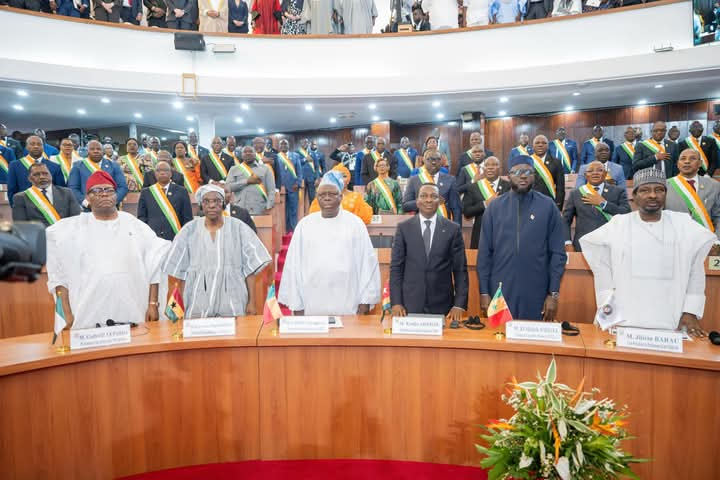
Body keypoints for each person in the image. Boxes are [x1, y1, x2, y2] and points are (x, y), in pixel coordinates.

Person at [580, 168, 717, 335]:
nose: (653, 195)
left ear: (665, 195)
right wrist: (607, 303)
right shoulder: (618, 225)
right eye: (645, 190)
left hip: (670, 320)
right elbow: (600, 266)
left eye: (659, 190)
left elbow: (695, 272)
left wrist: (690, 311)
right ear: (635, 196)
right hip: (623, 320)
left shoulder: (683, 225)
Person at [47, 171, 170, 330]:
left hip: (134, 308)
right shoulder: (70, 230)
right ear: (88, 197)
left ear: (115, 195)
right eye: (97, 191)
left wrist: (153, 304)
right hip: (87, 313)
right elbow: (59, 275)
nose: (104, 194)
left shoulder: (135, 225)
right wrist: (65, 311)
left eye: (109, 190)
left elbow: (155, 263)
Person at [478, 155, 567, 321]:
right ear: (508, 175)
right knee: (499, 340)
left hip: (537, 291)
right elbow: (484, 254)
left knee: (534, 343)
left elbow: (558, 254)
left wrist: (553, 293)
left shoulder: (548, 207)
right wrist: (484, 292)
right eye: (517, 171)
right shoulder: (494, 208)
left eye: (528, 171)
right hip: (500, 292)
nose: (523, 175)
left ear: (534, 176)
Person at [278, 172, 380, 315]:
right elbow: (293, 266)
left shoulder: (355, 224)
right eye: (322, 194)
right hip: (312, 300)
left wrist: (365, 302)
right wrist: (297, 304)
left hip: (347, 300)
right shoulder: (304, 225)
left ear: (341, 197)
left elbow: (367, 264)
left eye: (332, 194)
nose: (327, 197)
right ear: (317, 197)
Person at [163, 184, 271, 318]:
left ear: (223, 203)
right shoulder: (188, 230)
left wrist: (252, 303)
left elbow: (249, 270)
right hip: (198, 300)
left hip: (232, 299)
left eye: (216, 201)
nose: (212, 205)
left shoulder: (239, 228)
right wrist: (175, 305)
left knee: (233, 336)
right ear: (201, 205)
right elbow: (177, 272)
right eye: (206, 201)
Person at [390, 182, 468, 323]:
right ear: (417, 201)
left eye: (434, 196)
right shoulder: (404, 228)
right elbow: (396, 267)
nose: (428, 200)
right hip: (408, 304)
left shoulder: (452, 229)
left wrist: (459, 304)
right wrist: (396, 302)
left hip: (442, 304)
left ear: (440, 201)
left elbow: (460, 269)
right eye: (424, 196)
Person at [563, 161, 630, 252]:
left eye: (599, 170)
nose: (595, 173)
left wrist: (604, 204)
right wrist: (567, 243)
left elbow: (626, 213)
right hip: (582, 245)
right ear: (585, 175)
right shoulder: (575, 194)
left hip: (610, 245)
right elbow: (565, 221)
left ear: (605, 174)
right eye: (590, 171)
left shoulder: (618, 192)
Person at [665, 149, 720, 238]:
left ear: (700, 163)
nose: (687, 161)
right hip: (675, 241)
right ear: (678, 164)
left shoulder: (714, 186)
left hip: (706, 241)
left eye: (692, 158)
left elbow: (718, 217)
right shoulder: (664, 186)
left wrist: (717, 242)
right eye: (683, 159)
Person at [137, 160, 194, 241]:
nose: (162, 173)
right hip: (153, 238)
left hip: (175, 237)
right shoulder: (146, 192)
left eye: (165, 170)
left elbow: (187, 218)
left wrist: (185, 237)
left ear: (171, 174)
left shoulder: (182, 191)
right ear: (154, 174)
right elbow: (142, 217)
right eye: (158, 170)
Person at [12, 163, 81, 227]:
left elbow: (76, 218)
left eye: (45, 173)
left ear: (51, 175)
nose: (42, 177)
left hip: (64, 236)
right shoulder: (20, 197)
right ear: (29, 179)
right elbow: (21, 226)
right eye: (36, 174)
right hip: (38, 238)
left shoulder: (67, 193)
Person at [462, 156, 510, 249]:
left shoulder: (509, 187)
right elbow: (467, 212)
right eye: (487, 165)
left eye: (494, 165)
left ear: (500, 169)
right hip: (481, 234)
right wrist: (485, 204)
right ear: (484, 169)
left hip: (504, 233)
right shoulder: (474, 187)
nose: (490, 167)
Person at [402, 150, 462, 224]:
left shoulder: (450, 180)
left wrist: (457, 230)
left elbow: (456, 208)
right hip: (421, 226)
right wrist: (424, 201)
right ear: (423, 160)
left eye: (438, 159)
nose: (434, 162)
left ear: (441, 162)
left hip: (444, 226)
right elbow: (405, 206)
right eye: (429, 159)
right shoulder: (414, 180)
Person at [68, 140, 128, 209]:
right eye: (92, 149)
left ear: (103, 151)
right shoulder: (78, 166)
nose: (95, 151)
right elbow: (73, 188)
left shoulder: (114, 165)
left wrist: (112, 202)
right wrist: (87, 204)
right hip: (87, 209)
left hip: (111, 208)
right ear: (87, 151)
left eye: (98, 149)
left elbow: (123, 187)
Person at [7, 135, 66, 207]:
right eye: (32, 144)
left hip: (50, 211)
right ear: (26, 147)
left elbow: (61, 191)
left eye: (39, 144)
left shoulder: (55, 167)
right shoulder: (15, 166)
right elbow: (11, 190)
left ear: (43, 147)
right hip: (25, 209)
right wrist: (15, 209)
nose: (36, 146)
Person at [226, 145, 276, 215]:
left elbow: (271, 190)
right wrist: (246, 181)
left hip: (260, 208)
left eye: (250, 151)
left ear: (255, 154)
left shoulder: (265, 169)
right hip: (240, 208)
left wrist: (268, 207)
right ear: (241, 155)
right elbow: (228, 188)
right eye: (245, 152)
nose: (248, 153)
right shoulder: (234, 169)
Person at [530, 135, 565, 209]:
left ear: (548, 146)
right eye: (537, 143)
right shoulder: (527, 162)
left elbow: (560, 187)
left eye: (544, 143)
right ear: (533, 146)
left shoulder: (556, 162)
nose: (540, 145)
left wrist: (558, 206)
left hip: (550, 202)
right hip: (531, 202)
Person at [277, 139, 303, 232]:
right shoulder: (277, 157)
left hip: (293, 187)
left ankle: (293, 229)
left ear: (289, 145)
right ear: (279, 146)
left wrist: (298, 183)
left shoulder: (295, 156)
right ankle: (284, 229)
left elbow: (299, 171)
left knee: (293, 209)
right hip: (281, 188)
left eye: (285, 144)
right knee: (283, 210)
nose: (283, 145)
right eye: (281, 144)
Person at [297, 138, 319, 203]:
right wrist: (305, 159)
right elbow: (295, 165)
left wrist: (317, 178)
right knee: (300, 200)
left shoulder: (313, 153)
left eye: (306, 142)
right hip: (301, 179)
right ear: (300, 144)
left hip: (311, 179)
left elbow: (317, 167)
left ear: (309, 144)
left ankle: (311, 211)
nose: (305, 144)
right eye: (303, 142)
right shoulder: (296, 153)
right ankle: (301, 213)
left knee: (312, 198)